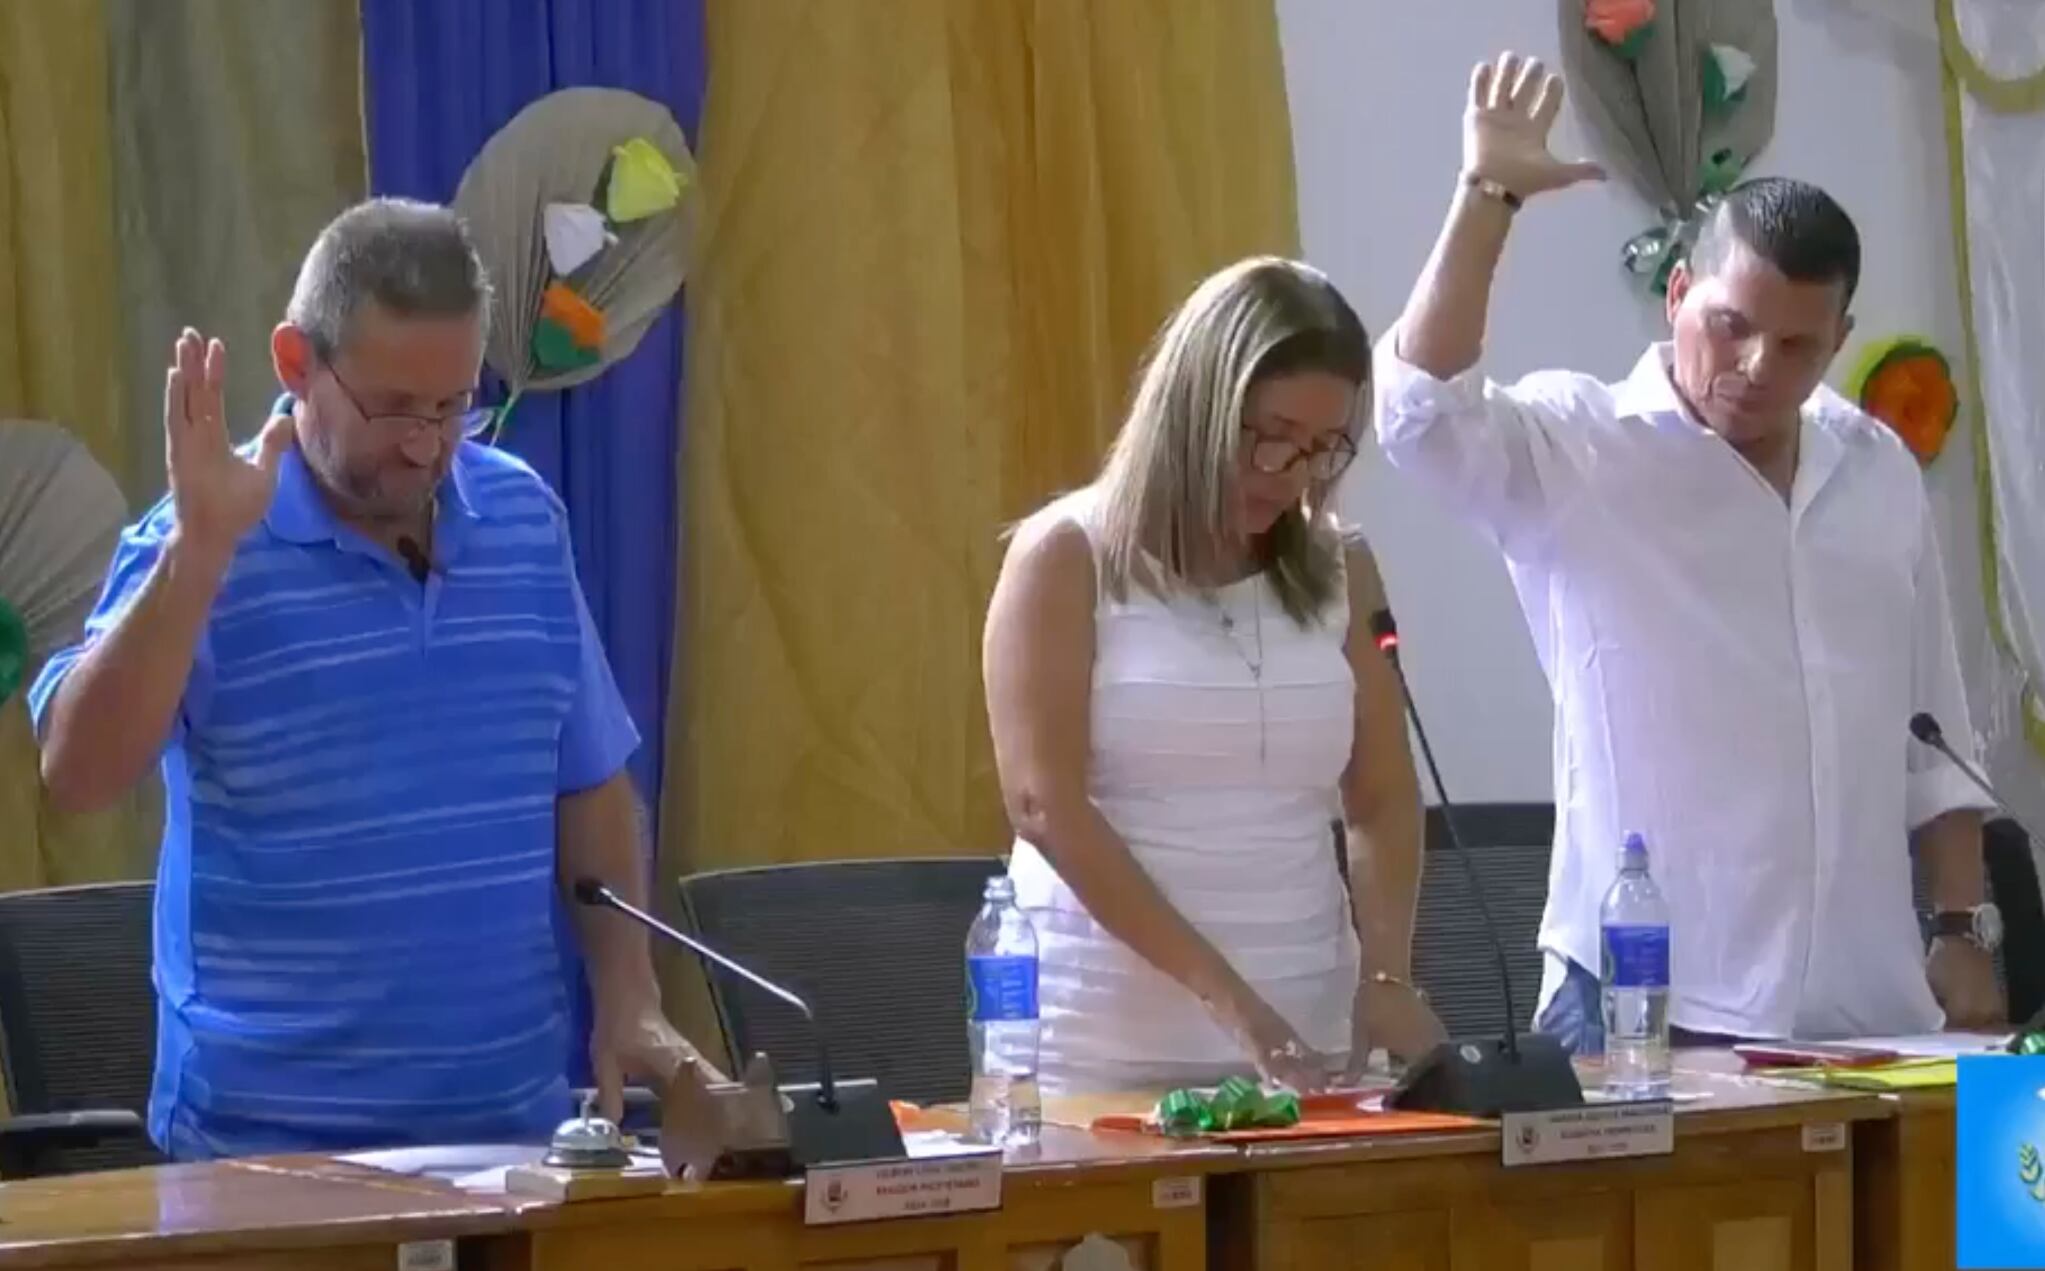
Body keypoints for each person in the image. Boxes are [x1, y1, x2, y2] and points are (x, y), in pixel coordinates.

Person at [31, 198, 719, 1158]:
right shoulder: (202, 537)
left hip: (508, 1143)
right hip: (267, 1159)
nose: (426, 444)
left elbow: (587, 780)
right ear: (294, 364)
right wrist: (198, 555)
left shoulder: (524, 521)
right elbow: (78, 773)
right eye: (393, 407)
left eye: (451, 406)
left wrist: (628, 991)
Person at [1374, 52, 2005, 1049]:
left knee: (2002, 1195)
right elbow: (1416, 416)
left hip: (1873, 1001)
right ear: (1675, 295)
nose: (1756, 368)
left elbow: (1931, 733)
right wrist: (1486, 194)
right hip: (1642, 1000)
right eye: (1730, 325)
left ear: (1837, 338)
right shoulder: (1578, 444)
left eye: (1796, 345)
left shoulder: (1875, 466)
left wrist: (1964, 925)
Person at [983, 257, 1447, 1095]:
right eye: (1268, 435)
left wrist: (1384, 975)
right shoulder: (1066, 554)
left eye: (1320, 448)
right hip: (1101, 1047)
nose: (1290, 472)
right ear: (1195, 404)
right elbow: (1042, 803)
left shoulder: (1341, 564)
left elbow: (1379, 795)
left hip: (1309, 1037)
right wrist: (1232, 1004)